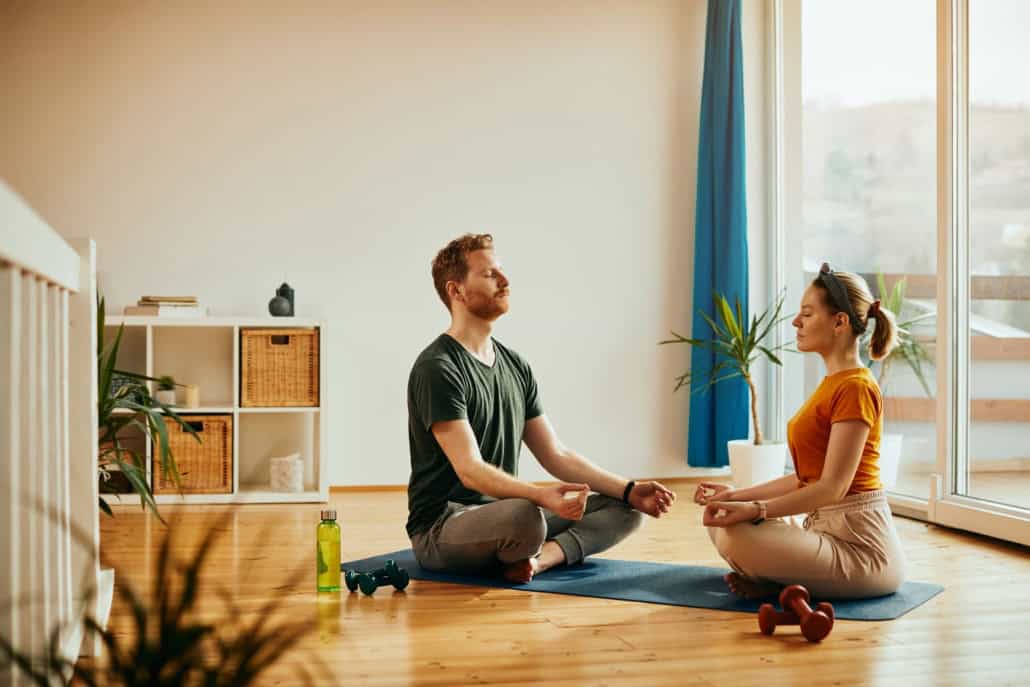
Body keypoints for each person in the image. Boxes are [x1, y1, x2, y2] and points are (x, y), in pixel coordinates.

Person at [406, 233, 677, 583]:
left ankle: (538, 561)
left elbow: (556, 454)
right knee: (526, 516)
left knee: (624, 509)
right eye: (490, 275)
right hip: (443, 528)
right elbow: (470, 470)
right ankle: (525, 545)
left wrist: (628, 488)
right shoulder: (438, 367)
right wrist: (539, 496)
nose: (505, 281)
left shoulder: (515, 365)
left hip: (504, 515)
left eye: (502, 271)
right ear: (456, 291)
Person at [697, 263, 907, 599]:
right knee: (720, 516)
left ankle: (775, 579)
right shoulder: (834, 384)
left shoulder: (855, 387)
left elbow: (833, 488)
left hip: (862, 552)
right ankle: (777, 580)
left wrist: (756, 509)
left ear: (839, 322)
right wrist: (735, 496)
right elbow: (805, 479)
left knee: (737, 534)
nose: (796, 322)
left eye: (807, 314)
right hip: (823, 529)